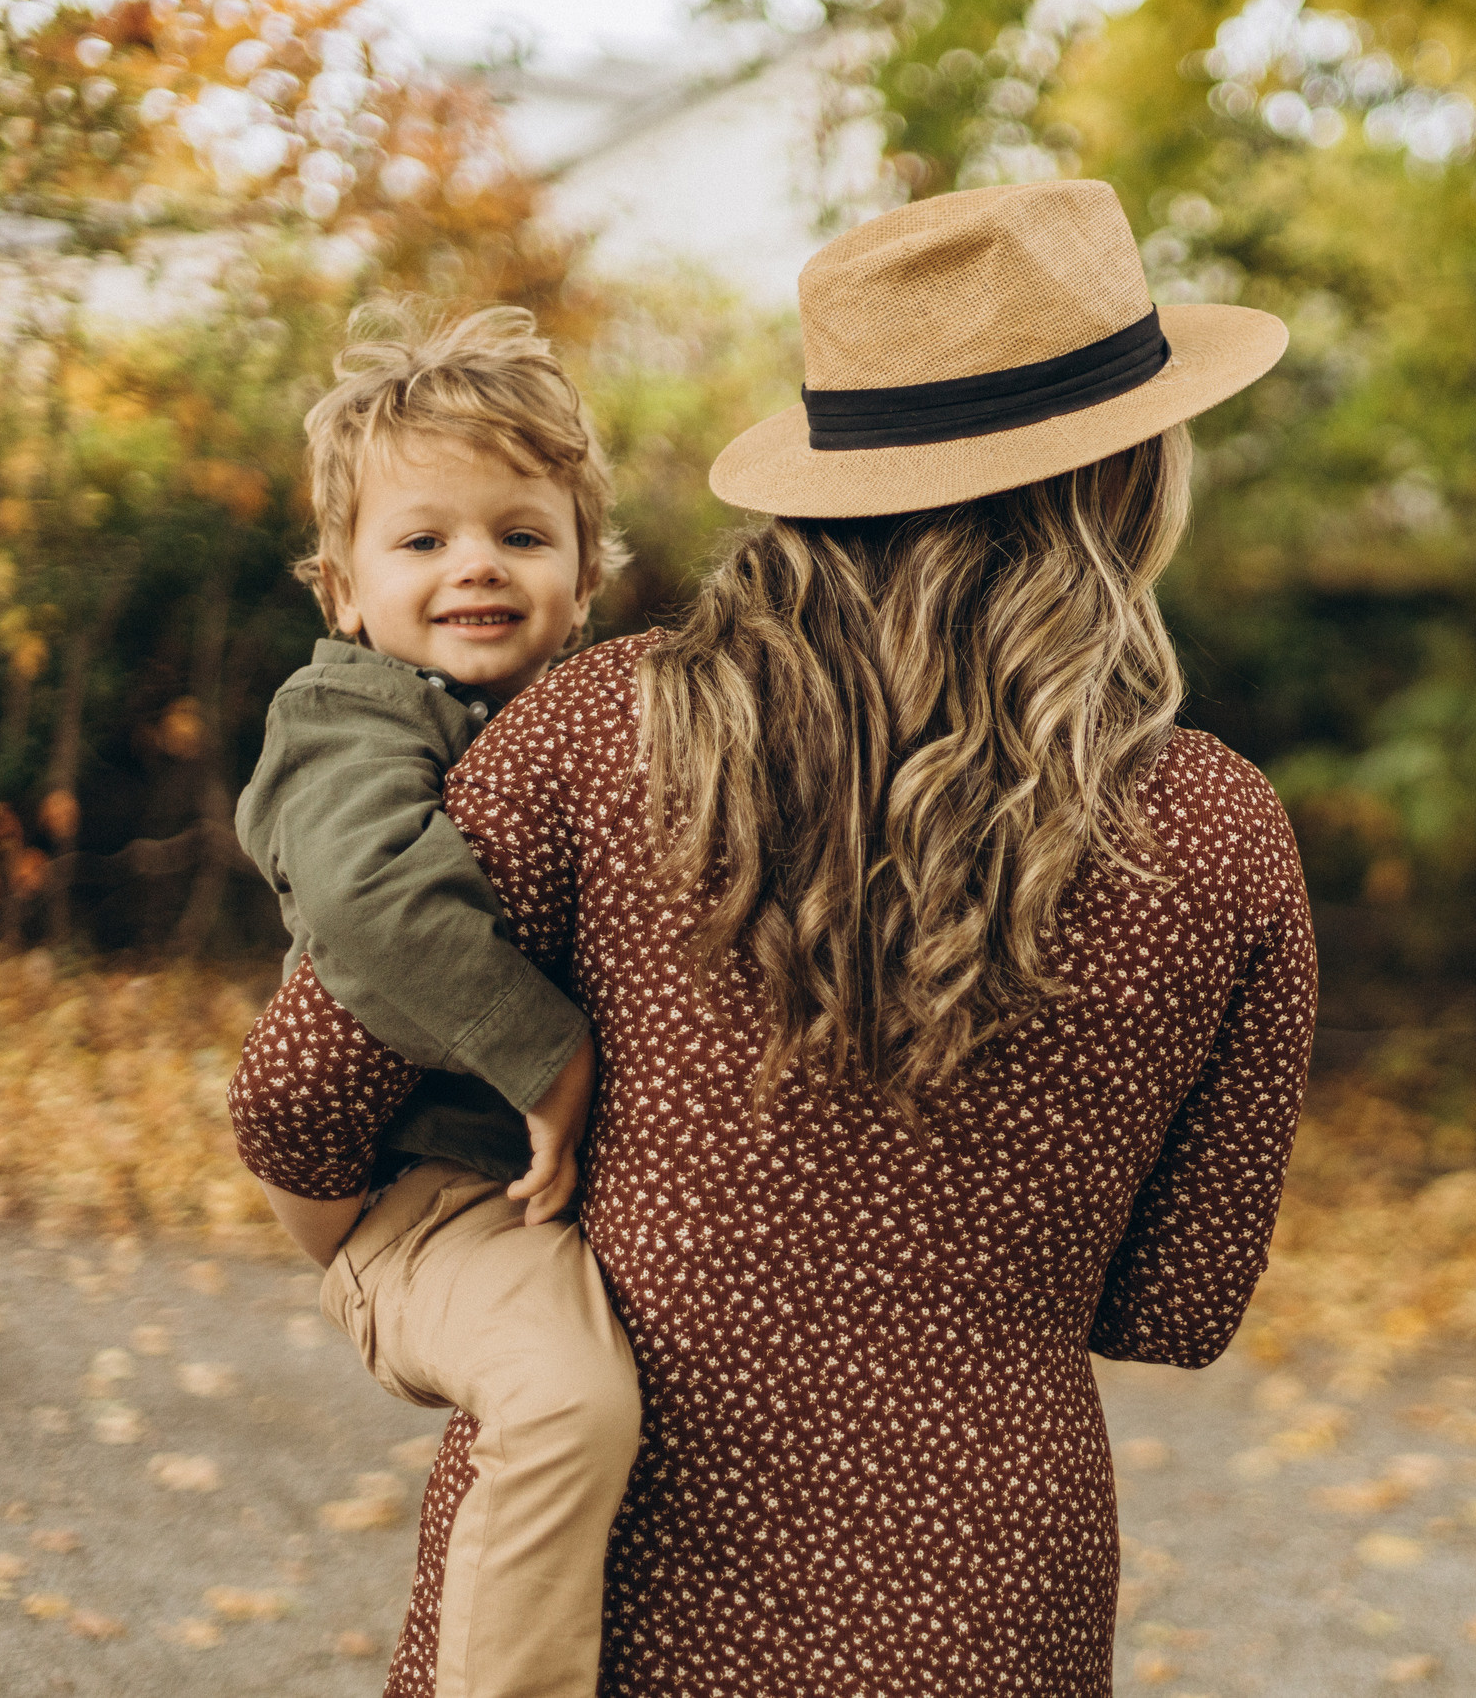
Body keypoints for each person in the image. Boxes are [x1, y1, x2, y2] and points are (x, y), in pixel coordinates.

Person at [226, 177, 1317, 1697]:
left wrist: (452, 1275)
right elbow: (1177, 1303)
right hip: (987, 1594)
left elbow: (295, 1099)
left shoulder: (607, 725)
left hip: (612, 1588)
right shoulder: (1223, 833)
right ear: (1134, 475)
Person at [229, 304, 641, 1697]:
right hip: (421, 1194)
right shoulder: (349, 713)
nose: (477, 564)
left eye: (522, 535)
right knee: (565, 1398)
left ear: (587, 575)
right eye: (424, 540)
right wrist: (543, 1054)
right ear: (344, 587)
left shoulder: (596, 715)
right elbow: (366, 901)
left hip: (516, 1187)